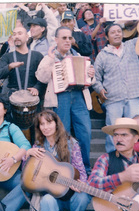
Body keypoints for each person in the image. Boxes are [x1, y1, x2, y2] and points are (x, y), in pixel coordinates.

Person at [36, 26, 95, 175]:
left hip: (79, 96)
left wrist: (91, 75)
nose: (68, 41)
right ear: (56, 40)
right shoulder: (49, 57)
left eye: (70, 38)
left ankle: (85, 170)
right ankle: (65, 170)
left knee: (85, 132)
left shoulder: (78, 55)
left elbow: (90, 81)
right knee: (63, 133)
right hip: (60, 98)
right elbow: (41, 77)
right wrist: (50, 59)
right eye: (64, 38)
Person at [26, 110, 90, 211]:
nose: (46, 127)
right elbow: (29, 173)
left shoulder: (71, 143)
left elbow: (81, 171)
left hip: (70, 192)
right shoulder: (38, 145)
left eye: (49, 122)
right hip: (51, 193)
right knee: (46, 201)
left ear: (56, 123)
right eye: (42, 124)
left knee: (83, 198)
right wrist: (28, 155)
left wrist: (80, 182)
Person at [92, 23, 139, 153]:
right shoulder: (102, 55)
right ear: (107, 37)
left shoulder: (132, 46)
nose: (117, 34)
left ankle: (132, 158)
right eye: (113, 32)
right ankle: (112, 160)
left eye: (118, 31)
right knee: (113, 131)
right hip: (113, 99)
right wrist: (99, 88)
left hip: (133, 96)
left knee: (133, 131)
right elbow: (94, 77)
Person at [0, 26, 46, 99]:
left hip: (32, 97)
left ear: (27, 37)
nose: (16, 36)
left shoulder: (37, 55)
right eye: (14, 34)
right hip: (13, 98)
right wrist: (10, 66)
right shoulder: (7, 56)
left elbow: (44, 77)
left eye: (20, 34)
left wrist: (37, 88)